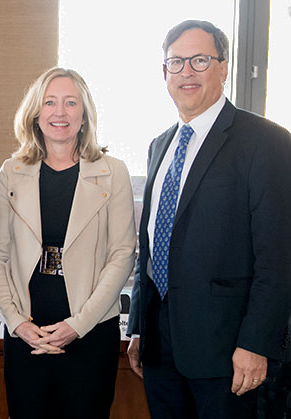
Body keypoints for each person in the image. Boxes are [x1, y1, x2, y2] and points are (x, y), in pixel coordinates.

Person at [126, 19, 291, 418]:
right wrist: (137, 327)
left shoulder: (267, 142)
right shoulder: (159, 145)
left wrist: (256, 344)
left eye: (200, 60)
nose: (187, 72)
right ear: (164, 72)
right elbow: (150, 244)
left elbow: (278, 255)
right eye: (176, 62)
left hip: (229, 352)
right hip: (161, 347)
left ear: (224, 66)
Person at [0, 67, 136, 418]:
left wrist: (77, 325)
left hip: (90, 332)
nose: (60, 112)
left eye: (71, 102)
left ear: (85, 115)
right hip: (27, 334)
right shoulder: (11, 171)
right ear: (36, 113)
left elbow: (122, 255)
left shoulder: (113, 172)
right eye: (50, 102)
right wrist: (17, 322)